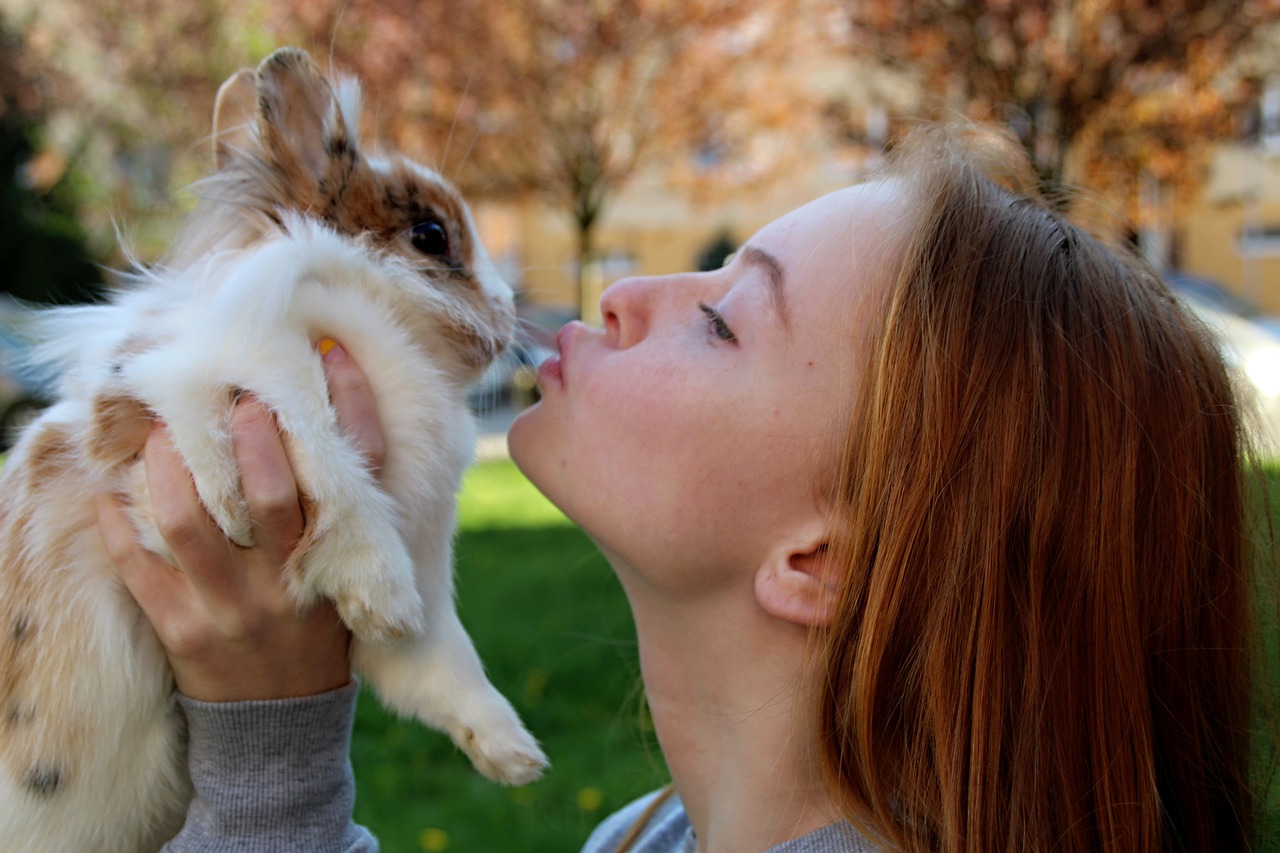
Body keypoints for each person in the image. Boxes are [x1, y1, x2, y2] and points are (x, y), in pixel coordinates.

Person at [95, 123, 1275, 852]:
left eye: (719, 318)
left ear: (821, 559)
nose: (627, 291)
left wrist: (269, 765)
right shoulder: (652, 834)